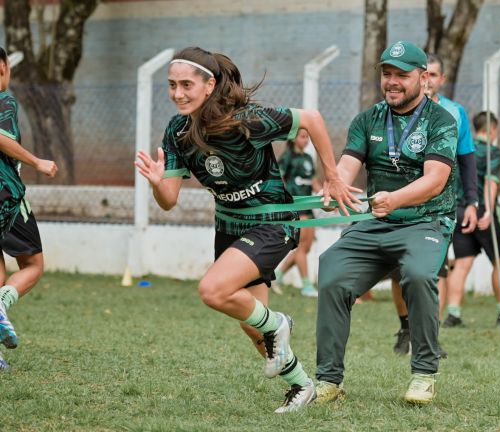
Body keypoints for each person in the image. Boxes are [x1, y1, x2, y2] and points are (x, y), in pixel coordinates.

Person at [134, 47, 360, 413]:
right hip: (229, 227)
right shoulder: (177, 130)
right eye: (172, 85)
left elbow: (312, 119)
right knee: (252, 324)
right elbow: (168, 201)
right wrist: (158, 183)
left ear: (209, 85)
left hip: (272, 223)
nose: (178, 93)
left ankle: (280, 323)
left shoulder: (247, 120)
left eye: (187, 85)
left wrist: (332, 176)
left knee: (213, 290)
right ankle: (302, 385)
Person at [315, 41, 458, 405]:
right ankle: (328, 380)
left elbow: (435, 180)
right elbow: (348, 163)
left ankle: (424, 374)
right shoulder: (367, 119)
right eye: (387, 74)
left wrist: (395, 198)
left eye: (401, 75)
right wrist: (337, 187)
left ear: (424, 78)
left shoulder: (441, 121)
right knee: (330, 268)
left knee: (419, 275)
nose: (392, 82)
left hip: (426, 221)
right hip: (376, 221)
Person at [390, 53, 479, 354]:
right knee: (398, 272)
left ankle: (430, 335)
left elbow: (467, 159)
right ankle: (406, 326)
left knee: (433, 270)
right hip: (399, 203)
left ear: (438, 80)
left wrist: (472, 200)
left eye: (435, 74)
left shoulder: (454, 113)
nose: (429, 79)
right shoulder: (396, 111)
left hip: (439, 206)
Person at [0, 46, 58, 372]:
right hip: (5, 193)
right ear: (5, 66)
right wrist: (37, 161)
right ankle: (1, 305)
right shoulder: (4, 99)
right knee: (33, 264)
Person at [444, 111, 500, 328]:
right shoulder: (493, 153)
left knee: (462, 263)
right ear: (492, 130)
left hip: (460, 210)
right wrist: (488, 211)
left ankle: (453, 314)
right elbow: (491, 183)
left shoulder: (460, 150)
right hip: (482, 212)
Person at [274, 128, 322, 297]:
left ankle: (277, 276)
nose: (306, 140)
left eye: (307, 137)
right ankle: (307, 285)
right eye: (302, 137)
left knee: (306, 247)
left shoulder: (308, 158)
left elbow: (314, 182)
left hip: (308, 206)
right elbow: (278, 180)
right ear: (294, 139)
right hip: (296, 206)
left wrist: (325, 197)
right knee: (301, 247)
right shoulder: (288, 157)